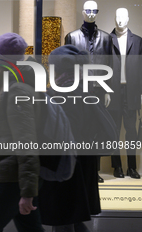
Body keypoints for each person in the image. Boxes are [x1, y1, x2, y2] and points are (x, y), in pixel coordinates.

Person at [0, 33, 44, 232]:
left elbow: (27, 142)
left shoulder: (16, 91)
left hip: (10, 179)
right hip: (14, 176)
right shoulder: (12, 88)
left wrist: (28, 192)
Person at [38, 45, 101, 232]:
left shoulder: (64, 92)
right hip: (78, 164)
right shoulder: (82, 87)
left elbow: (65, 131)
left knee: (63, 220)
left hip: (68, 166)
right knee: (71, 219)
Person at [65, 0, 113, 183]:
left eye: (95, 10)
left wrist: (108, 89)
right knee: (77, 127)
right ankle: (77, 168)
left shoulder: (107, 38)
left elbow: (110, 64)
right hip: (77, 89)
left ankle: (94, 170)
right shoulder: (72, 37)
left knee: (96, 130)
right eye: (88, 10)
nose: (91, 14)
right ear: (83, 12)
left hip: (99, 89)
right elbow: (67, 65)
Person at [108, 8, 142, 179]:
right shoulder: (107, 40)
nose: (120, 20)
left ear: (128, 18)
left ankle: (132, 167)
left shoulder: (138, 41)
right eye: (117, 16)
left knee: (131, 131)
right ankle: (117, 167)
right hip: (113, 91)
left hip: (132, 91)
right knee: (114, 130)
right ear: (114, 18)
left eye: (123, 17)